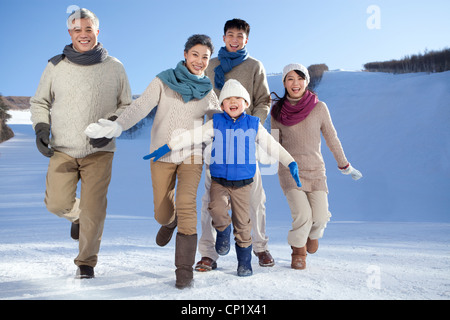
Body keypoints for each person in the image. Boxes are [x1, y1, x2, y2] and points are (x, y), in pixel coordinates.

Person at [84, 34, 220, 289]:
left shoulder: (208, 92)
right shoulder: (164, 80)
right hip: (161, 154)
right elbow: (141, 106)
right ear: (185, 54)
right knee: (162, 211)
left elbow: (217, 120)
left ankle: (183, 271)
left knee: (187, 204)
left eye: (205, 57)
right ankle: (170, 222)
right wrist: (118, 126)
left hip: (192, 155)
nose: (200, 61)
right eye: (195, 55)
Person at [146, 79, 301, 276]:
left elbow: (272, 145)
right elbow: (192, 136)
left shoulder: (253, 124)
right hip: (219, 180)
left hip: (244, 183)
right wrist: (169, 146)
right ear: (221, 105)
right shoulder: (215, 123)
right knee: (215, 208)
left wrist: (290, 162)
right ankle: (221, 234)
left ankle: (244, 262)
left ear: (246, 103)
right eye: (228, 99)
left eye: (238, 98)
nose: (233, 101)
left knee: (244, 222)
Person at [30, 8, 132, 279]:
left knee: (95, 209)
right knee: (56, 204)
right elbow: (40, 101)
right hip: (62, 148)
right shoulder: (55, 66)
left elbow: (126, 106)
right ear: (70, 33)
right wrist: (41, 127)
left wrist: (111, 127)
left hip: (99, 152)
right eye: (77, 30)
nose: (83, 35)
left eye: (88, 29)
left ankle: (86, 262)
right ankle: (77, 216)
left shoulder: (115, 67)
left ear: (97, 31)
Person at [196, 18, 274, 272]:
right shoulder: (212, 65)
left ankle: (259, 247)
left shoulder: (254, 66)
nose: (235, 39)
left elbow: (263, 100)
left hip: (245, 142)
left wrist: (253, 127)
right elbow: (199, 98)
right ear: (224, 37)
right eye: (231, 35)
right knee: (211, 201)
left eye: (240, 36)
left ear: (246, 40)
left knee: (255, 200)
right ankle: (209, 254)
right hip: (215, 141)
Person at [270, 63, 362, 270]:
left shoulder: (319, 108)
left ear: (306, 81)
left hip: (316, 170)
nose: (296, 83)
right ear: (284, 82)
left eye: (300, 78)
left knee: (319, 217)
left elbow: (331, 137)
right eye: (290, 79)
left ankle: (313, 234)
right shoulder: (277, 111)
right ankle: (298, 251)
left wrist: (344, 164)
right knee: (303, 214)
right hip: (289, 170)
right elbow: (274, 143)